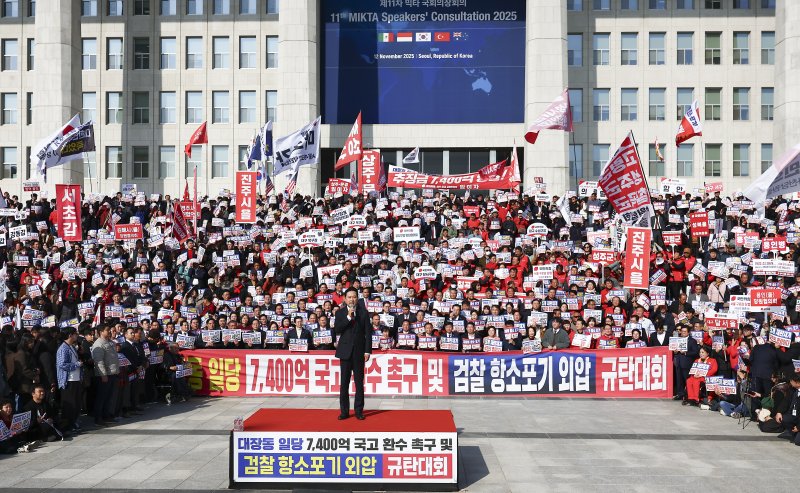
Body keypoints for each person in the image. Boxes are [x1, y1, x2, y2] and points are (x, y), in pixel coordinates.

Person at [333, 288, 371, 420]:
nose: (352, 299)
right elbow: (337, 330)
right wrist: (349, 317)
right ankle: (344, 411)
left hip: (359, 353)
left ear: (357, 298)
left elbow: (368, 333)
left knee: (359, 383)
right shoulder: (340, 313)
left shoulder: (363, 313)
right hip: (345, 353)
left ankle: (359, 410)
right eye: (349, 297)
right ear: (345, 298)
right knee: (344, 383)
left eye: (354, 297)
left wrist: (367, 351)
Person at [55, 327, 83, 433]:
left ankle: (73, 423)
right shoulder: (63, 348)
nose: (77, 336)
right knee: (69, 405)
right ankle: (67, 426)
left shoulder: (71, 347)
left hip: (76, 379)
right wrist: (76, 364)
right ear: (70, 335)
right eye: (75, 334)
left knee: (76, 404)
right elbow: (62, 364)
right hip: (68, 380)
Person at [90, 324, 119, 426]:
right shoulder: (99, 344)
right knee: (101, 397)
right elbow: (99, 361)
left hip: (112, 373)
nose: (110, 332)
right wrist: (103, 375)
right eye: (107, 330)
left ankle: (107, 416)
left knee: (109, 397)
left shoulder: (110, 342)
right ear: (101, 332)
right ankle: (98, 418)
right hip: (104, 375)